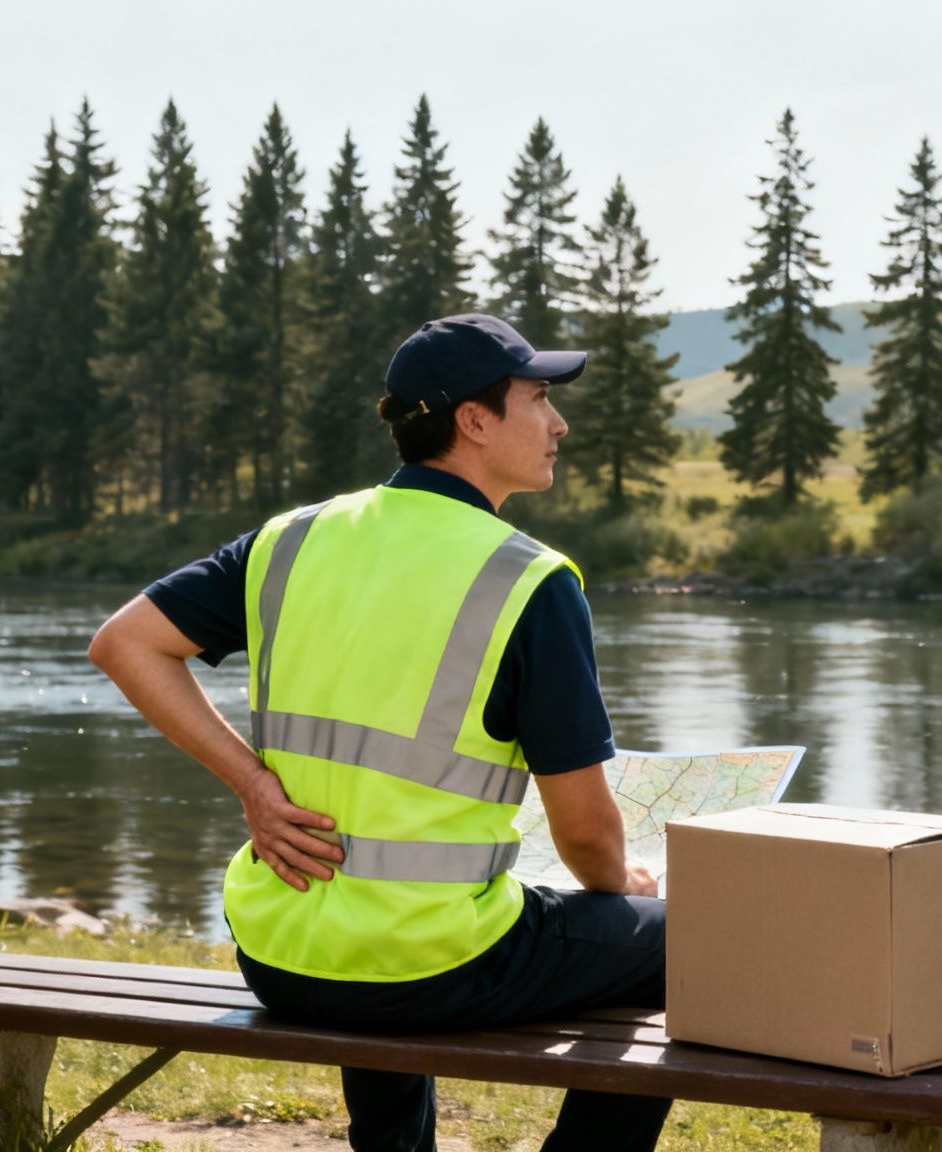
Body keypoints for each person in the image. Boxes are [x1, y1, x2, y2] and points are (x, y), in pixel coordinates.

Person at [89, 314, 671, 1152]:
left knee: (397, 922)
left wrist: (254, 786)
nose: (559, 423)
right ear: (474, 420)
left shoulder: (291, 539)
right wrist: (629, 882)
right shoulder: (531, 581)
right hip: (432, 966)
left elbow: (125, 642)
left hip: (280, 951)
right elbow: (584, 833)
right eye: (539, 398)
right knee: (681, 943)